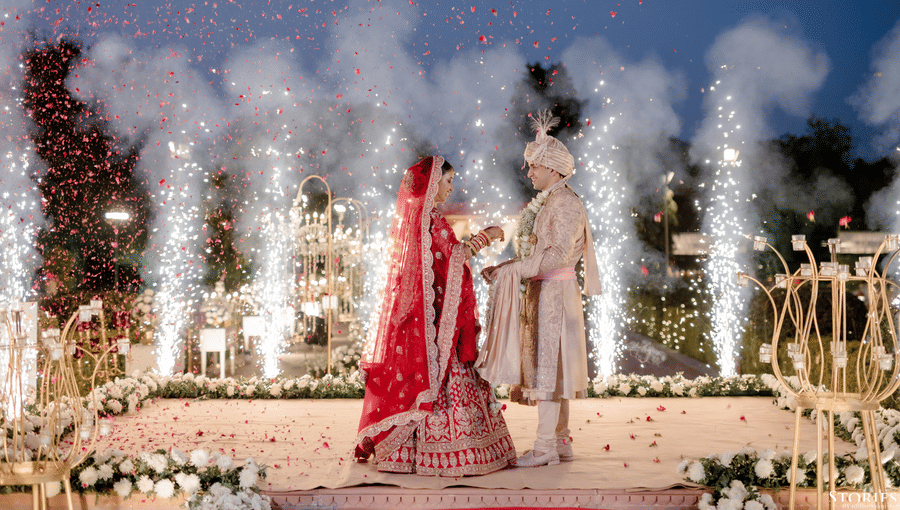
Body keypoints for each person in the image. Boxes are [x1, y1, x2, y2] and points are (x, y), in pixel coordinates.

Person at [354, 155, 516, 476]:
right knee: (437, 375)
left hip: (422, 317)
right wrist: (488, 235)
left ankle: (401, 452)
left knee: (415, 378)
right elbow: (455, 257)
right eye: (448, 182)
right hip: (437, 322)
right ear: (432, 183)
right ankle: (449, 451)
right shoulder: (432, 219)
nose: (451, 188)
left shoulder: (415, 218)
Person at [478, 110, 602, 468]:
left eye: (535, 166)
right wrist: (507, 268)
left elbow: (554, 256)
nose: (529, 172)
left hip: (554, 293)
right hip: (544, 293)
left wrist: (511, 270)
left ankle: (546, 445)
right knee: (553, 368)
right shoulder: (552, 200)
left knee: (549, 369)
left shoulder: (564, 202)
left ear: (554, 170)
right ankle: (559, 442)